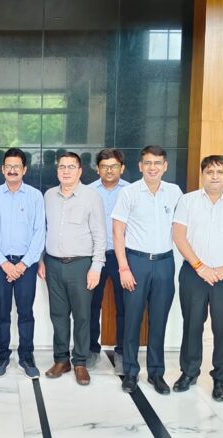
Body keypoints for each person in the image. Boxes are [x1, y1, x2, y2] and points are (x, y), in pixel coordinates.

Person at [171, 155, 223, 401]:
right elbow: (179, 236)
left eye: (220, 172)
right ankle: (189, 372)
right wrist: (200, 267)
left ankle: (221, 378)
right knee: (192, 324)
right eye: (210, 172)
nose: (215, 176)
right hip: (194, 274)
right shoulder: (188, 201)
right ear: (202, 174)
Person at [112, 144, 183, 395]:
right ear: (140, 166)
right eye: (148, 163)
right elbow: (117, 233)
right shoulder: (129, 193)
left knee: (159, 321)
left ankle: (156, 373)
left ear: (165, 166)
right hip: (136, 262)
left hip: (164, 263)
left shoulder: (174, 192)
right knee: (132, 320)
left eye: (158, 163)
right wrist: (123, 268)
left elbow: (182, 228)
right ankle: (130, 372)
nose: (153, 168)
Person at [39, 151, 107, 386]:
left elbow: (100, 235)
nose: (66, 171)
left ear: (80, 171)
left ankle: (80, 362)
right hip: (53, 264)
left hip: (81, 265)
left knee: (82, 316)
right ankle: (61, 360)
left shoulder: (91, 196)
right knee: (58, 315)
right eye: (62, 167)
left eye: (71, 167)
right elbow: (43, 230)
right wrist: (41, 260)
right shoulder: (49, 195)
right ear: (57, 170)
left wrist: (96, 267)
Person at [0, 148, 45, 379]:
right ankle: (2, 357)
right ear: (2, 169)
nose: (12, 170)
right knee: (1, 312)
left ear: (24, 169)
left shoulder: (35, 196)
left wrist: (23, 264)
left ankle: (26, 357)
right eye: (8, 166)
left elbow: (40, 232)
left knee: (25, 312)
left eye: (17, 166)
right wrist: (4, 263)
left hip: (25, 265)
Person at [88, 148, 129, 373]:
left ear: (122, 168)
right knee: (91, 306)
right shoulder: (88, 191)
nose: (109, 170)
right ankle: (91, 350)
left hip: (122, 256)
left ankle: (122, 352)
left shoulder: (131, 191)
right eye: (104, 166)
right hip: (95, 256)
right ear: (98, 169)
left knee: (125, 307)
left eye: (114, 166)